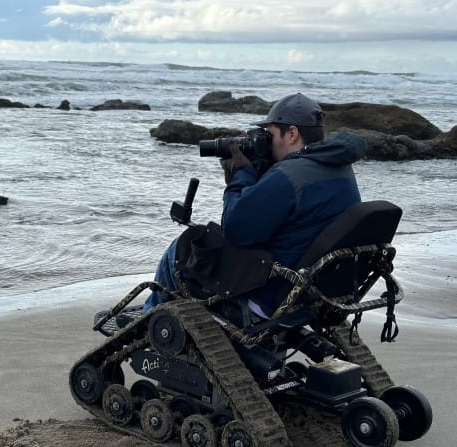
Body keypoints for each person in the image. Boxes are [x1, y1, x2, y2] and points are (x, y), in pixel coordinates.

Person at [143, 93, 367, 317]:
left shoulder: (290, 176)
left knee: (181, 248)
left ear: (292, 133)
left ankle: (149, 321)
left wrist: (241, 173)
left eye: (269, 135)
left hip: (269, 294)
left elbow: (235, 230)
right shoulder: (341, 168)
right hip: (312, 295)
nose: (267, 144)